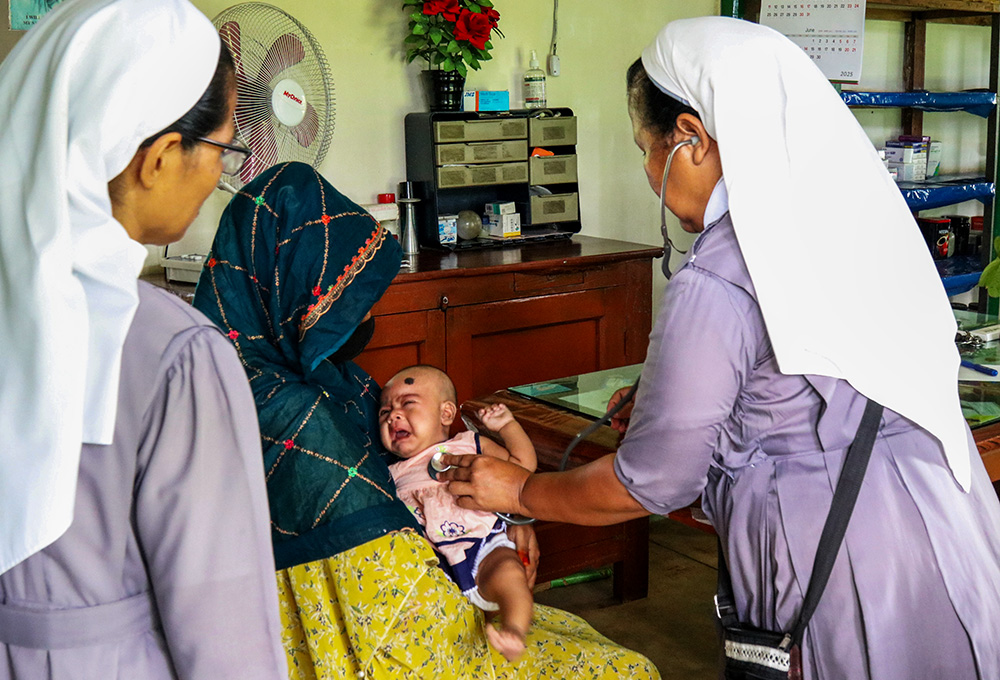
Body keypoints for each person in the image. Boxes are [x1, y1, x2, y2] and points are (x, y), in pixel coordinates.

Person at [440, 16, 1000, 680]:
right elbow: (816, 384)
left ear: (693, 140)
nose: (650, 176)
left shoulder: (720, 271)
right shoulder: (851, 223)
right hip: (948, 531)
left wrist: (524, 489)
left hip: (843, 569)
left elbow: (652, 479)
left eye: (646, 149)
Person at [193, 160, 660, 679]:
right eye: (352, 299)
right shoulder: (282, 410)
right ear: (295, 290)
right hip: (409, 624)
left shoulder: (330, 377)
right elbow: (393, 599)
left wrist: (508, 523)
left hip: (452, 575)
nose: (368, 315)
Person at [0, 0, 287, 678]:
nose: (221, 175)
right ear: (159, 157)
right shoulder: (178, 355)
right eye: (223, 149)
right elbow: (226, 635)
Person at [381, 365, 536, 662]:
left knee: (509, 574)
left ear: (446, 414)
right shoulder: (391, 474)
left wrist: (507, 427)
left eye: (408, 403)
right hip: (434, 565)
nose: (393, 415)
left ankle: (514, 631)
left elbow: (522, 468)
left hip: (484, 545)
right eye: (384, 411)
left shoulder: (469, 443)